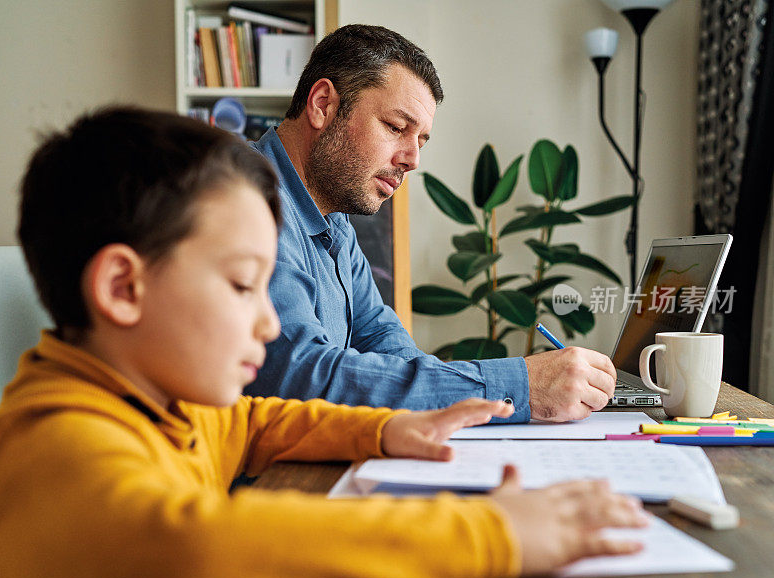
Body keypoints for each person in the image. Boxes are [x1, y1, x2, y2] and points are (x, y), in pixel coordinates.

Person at [0, 107, 646, 578]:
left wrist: (388, 427)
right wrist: (491, 533)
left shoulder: (163, 405)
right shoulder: (55, 453)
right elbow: (200, 552)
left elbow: (253, 422)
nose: (269, 325)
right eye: (243, 285)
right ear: (124, 287)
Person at [246, 24, 619, 423]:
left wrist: (482, 396)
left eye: (421, 140)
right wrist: (520, 385)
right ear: (322, 104)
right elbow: (302, 376)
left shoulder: (332, 215)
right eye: (395, 127)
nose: (412, 159)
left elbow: (383, 341)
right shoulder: (244, 200)